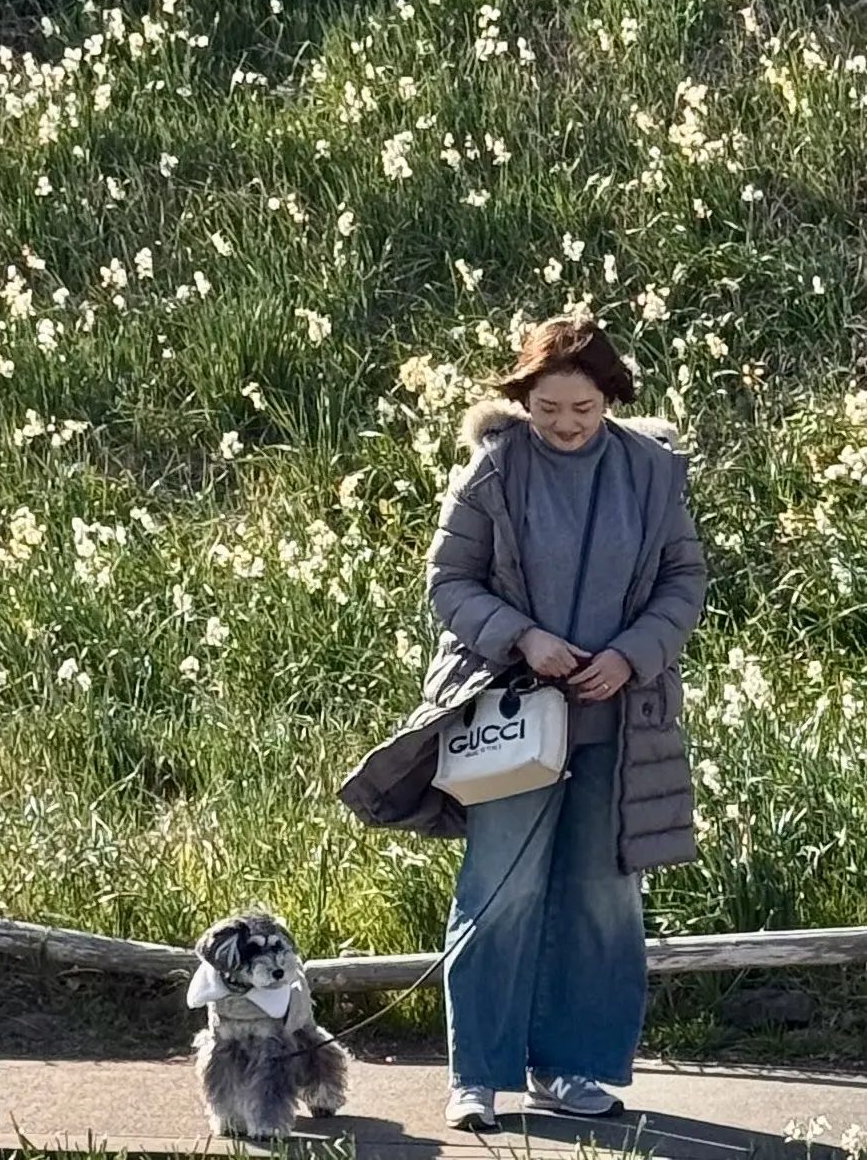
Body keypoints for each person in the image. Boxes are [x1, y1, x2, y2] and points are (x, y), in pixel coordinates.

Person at [338, 315, 706, 1132]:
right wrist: (524, 639)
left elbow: (683, 580)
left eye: (582, 408)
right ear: (523, 399)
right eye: (547, 409)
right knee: (498, 894)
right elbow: (448, 582)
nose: (566, 425)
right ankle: (478, 1078)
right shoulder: (493, 469)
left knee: (602, 900)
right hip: (510, 715)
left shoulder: (653, 471)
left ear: (611, 397)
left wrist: (632, 655)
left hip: (619, 720)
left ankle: (576, 1071)